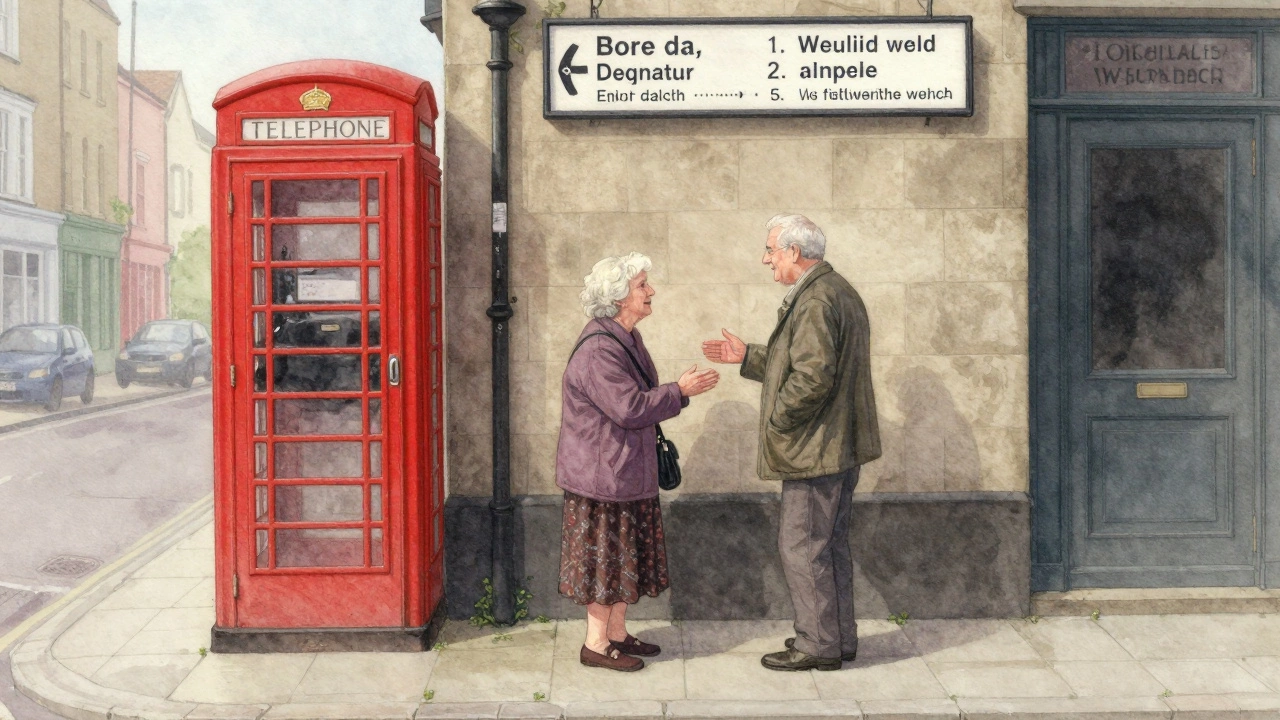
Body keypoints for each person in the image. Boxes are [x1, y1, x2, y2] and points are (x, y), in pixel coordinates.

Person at [701, 214, 881, 672]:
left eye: (771, 250)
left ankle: (817, 644)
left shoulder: (816, 300)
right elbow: (807, 364)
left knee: (802, 547)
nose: (766, 259)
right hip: (838, 448)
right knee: (829, 544)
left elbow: (812, 378)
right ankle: (837, 638)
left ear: (795, 252)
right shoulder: (836, 289)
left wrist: (778, 421)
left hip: (815, 451)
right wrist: (749, 357)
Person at [557, 252, 720, 672]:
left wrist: (674, 393)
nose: (651, 292)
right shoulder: (598, 350)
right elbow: (629, 408)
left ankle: (616, 634)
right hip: (602, 480)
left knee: (623, 555)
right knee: (604, 560)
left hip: (623, 471)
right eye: (642, 286)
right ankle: (595, 644)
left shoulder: (624, 337)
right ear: (617, 299)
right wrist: (679, 391)